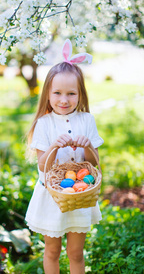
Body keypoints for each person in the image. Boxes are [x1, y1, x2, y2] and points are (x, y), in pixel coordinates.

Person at [25, 39, 104, 274]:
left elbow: (94, 162)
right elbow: (42, 165)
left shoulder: (87, 120)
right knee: (52, 251)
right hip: (52, 197)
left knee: (76, 253)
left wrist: (88, 145)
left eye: (71, 93)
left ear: (80, 94)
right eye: (57, 93)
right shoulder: (44, 124)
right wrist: (53, 149)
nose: (64, 100)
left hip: (79, 194)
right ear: (47, 94)